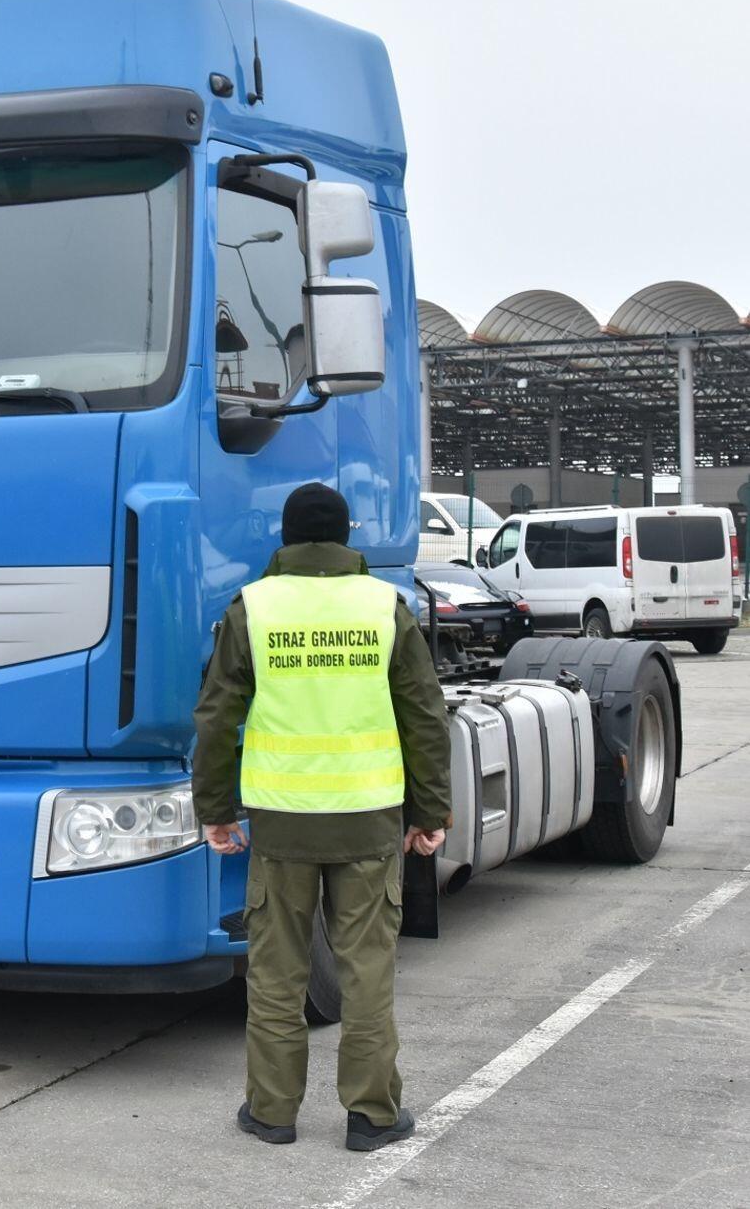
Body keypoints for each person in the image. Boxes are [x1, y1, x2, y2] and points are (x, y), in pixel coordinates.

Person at [191, 482, 452, 1151]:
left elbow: (216, 717)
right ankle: (372, 1117)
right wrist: (430, 811)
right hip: (369, 821)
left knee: (277, 977)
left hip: (282, 826)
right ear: (344, 538)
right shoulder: (384, 607)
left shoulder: (254, 607)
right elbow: (425, 716)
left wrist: (215, 809)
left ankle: (272, 1113)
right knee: (367, 975)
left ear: (285, 538)